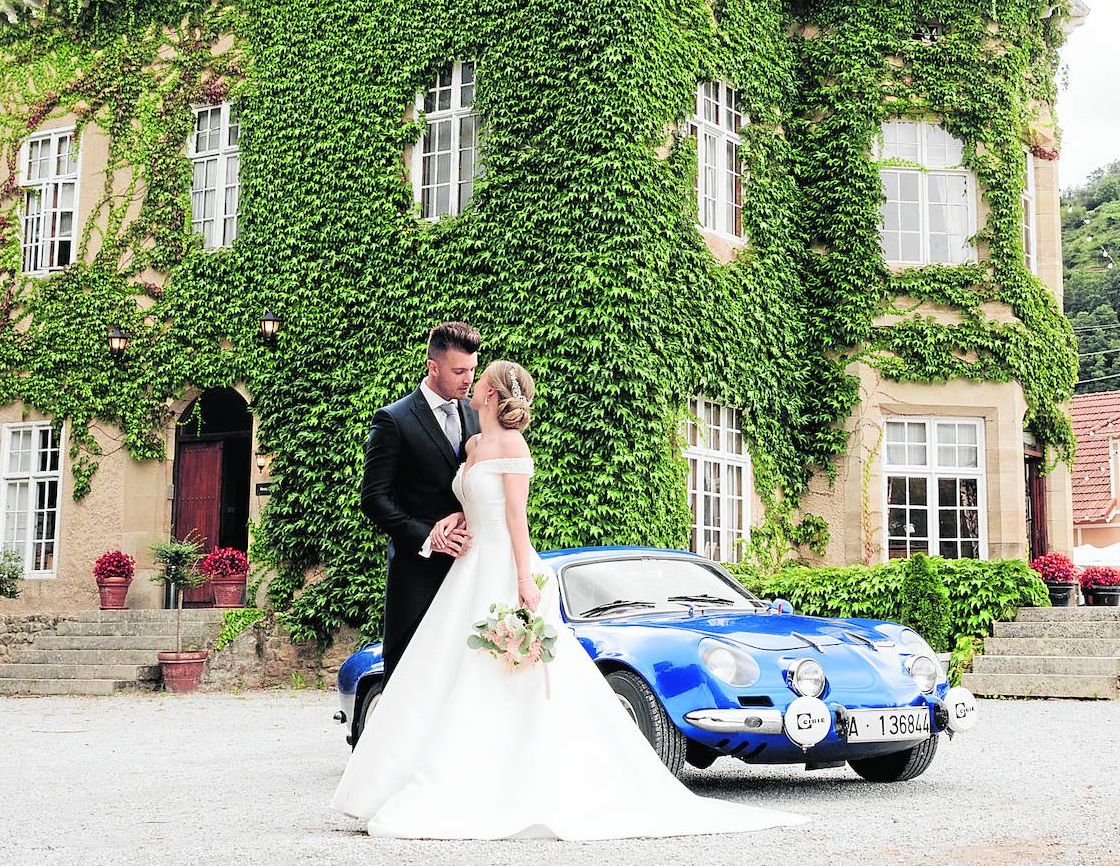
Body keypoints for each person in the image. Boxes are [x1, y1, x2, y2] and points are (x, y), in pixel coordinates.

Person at [333, 360, 803, 840]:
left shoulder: (513, 446)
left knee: (508, 677)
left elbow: (517, 520)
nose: (471, 386)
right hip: (465, 569)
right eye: (465, 374)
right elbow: (466, 500)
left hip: (501, 567)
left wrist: (522, 578)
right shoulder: (472, 442)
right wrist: (448, 523)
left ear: (493, 394)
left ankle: (513, 782)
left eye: (480, 379)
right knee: (443, 669)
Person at [360, 321, 482, 683]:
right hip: (417, 579)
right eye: (459, 371)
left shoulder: (476, 413)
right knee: (412, 684)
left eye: (473, 370)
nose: (468, 380)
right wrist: (429, 536)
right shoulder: (393, 420)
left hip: (473, 571)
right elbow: (374, 498)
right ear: (433, 367)